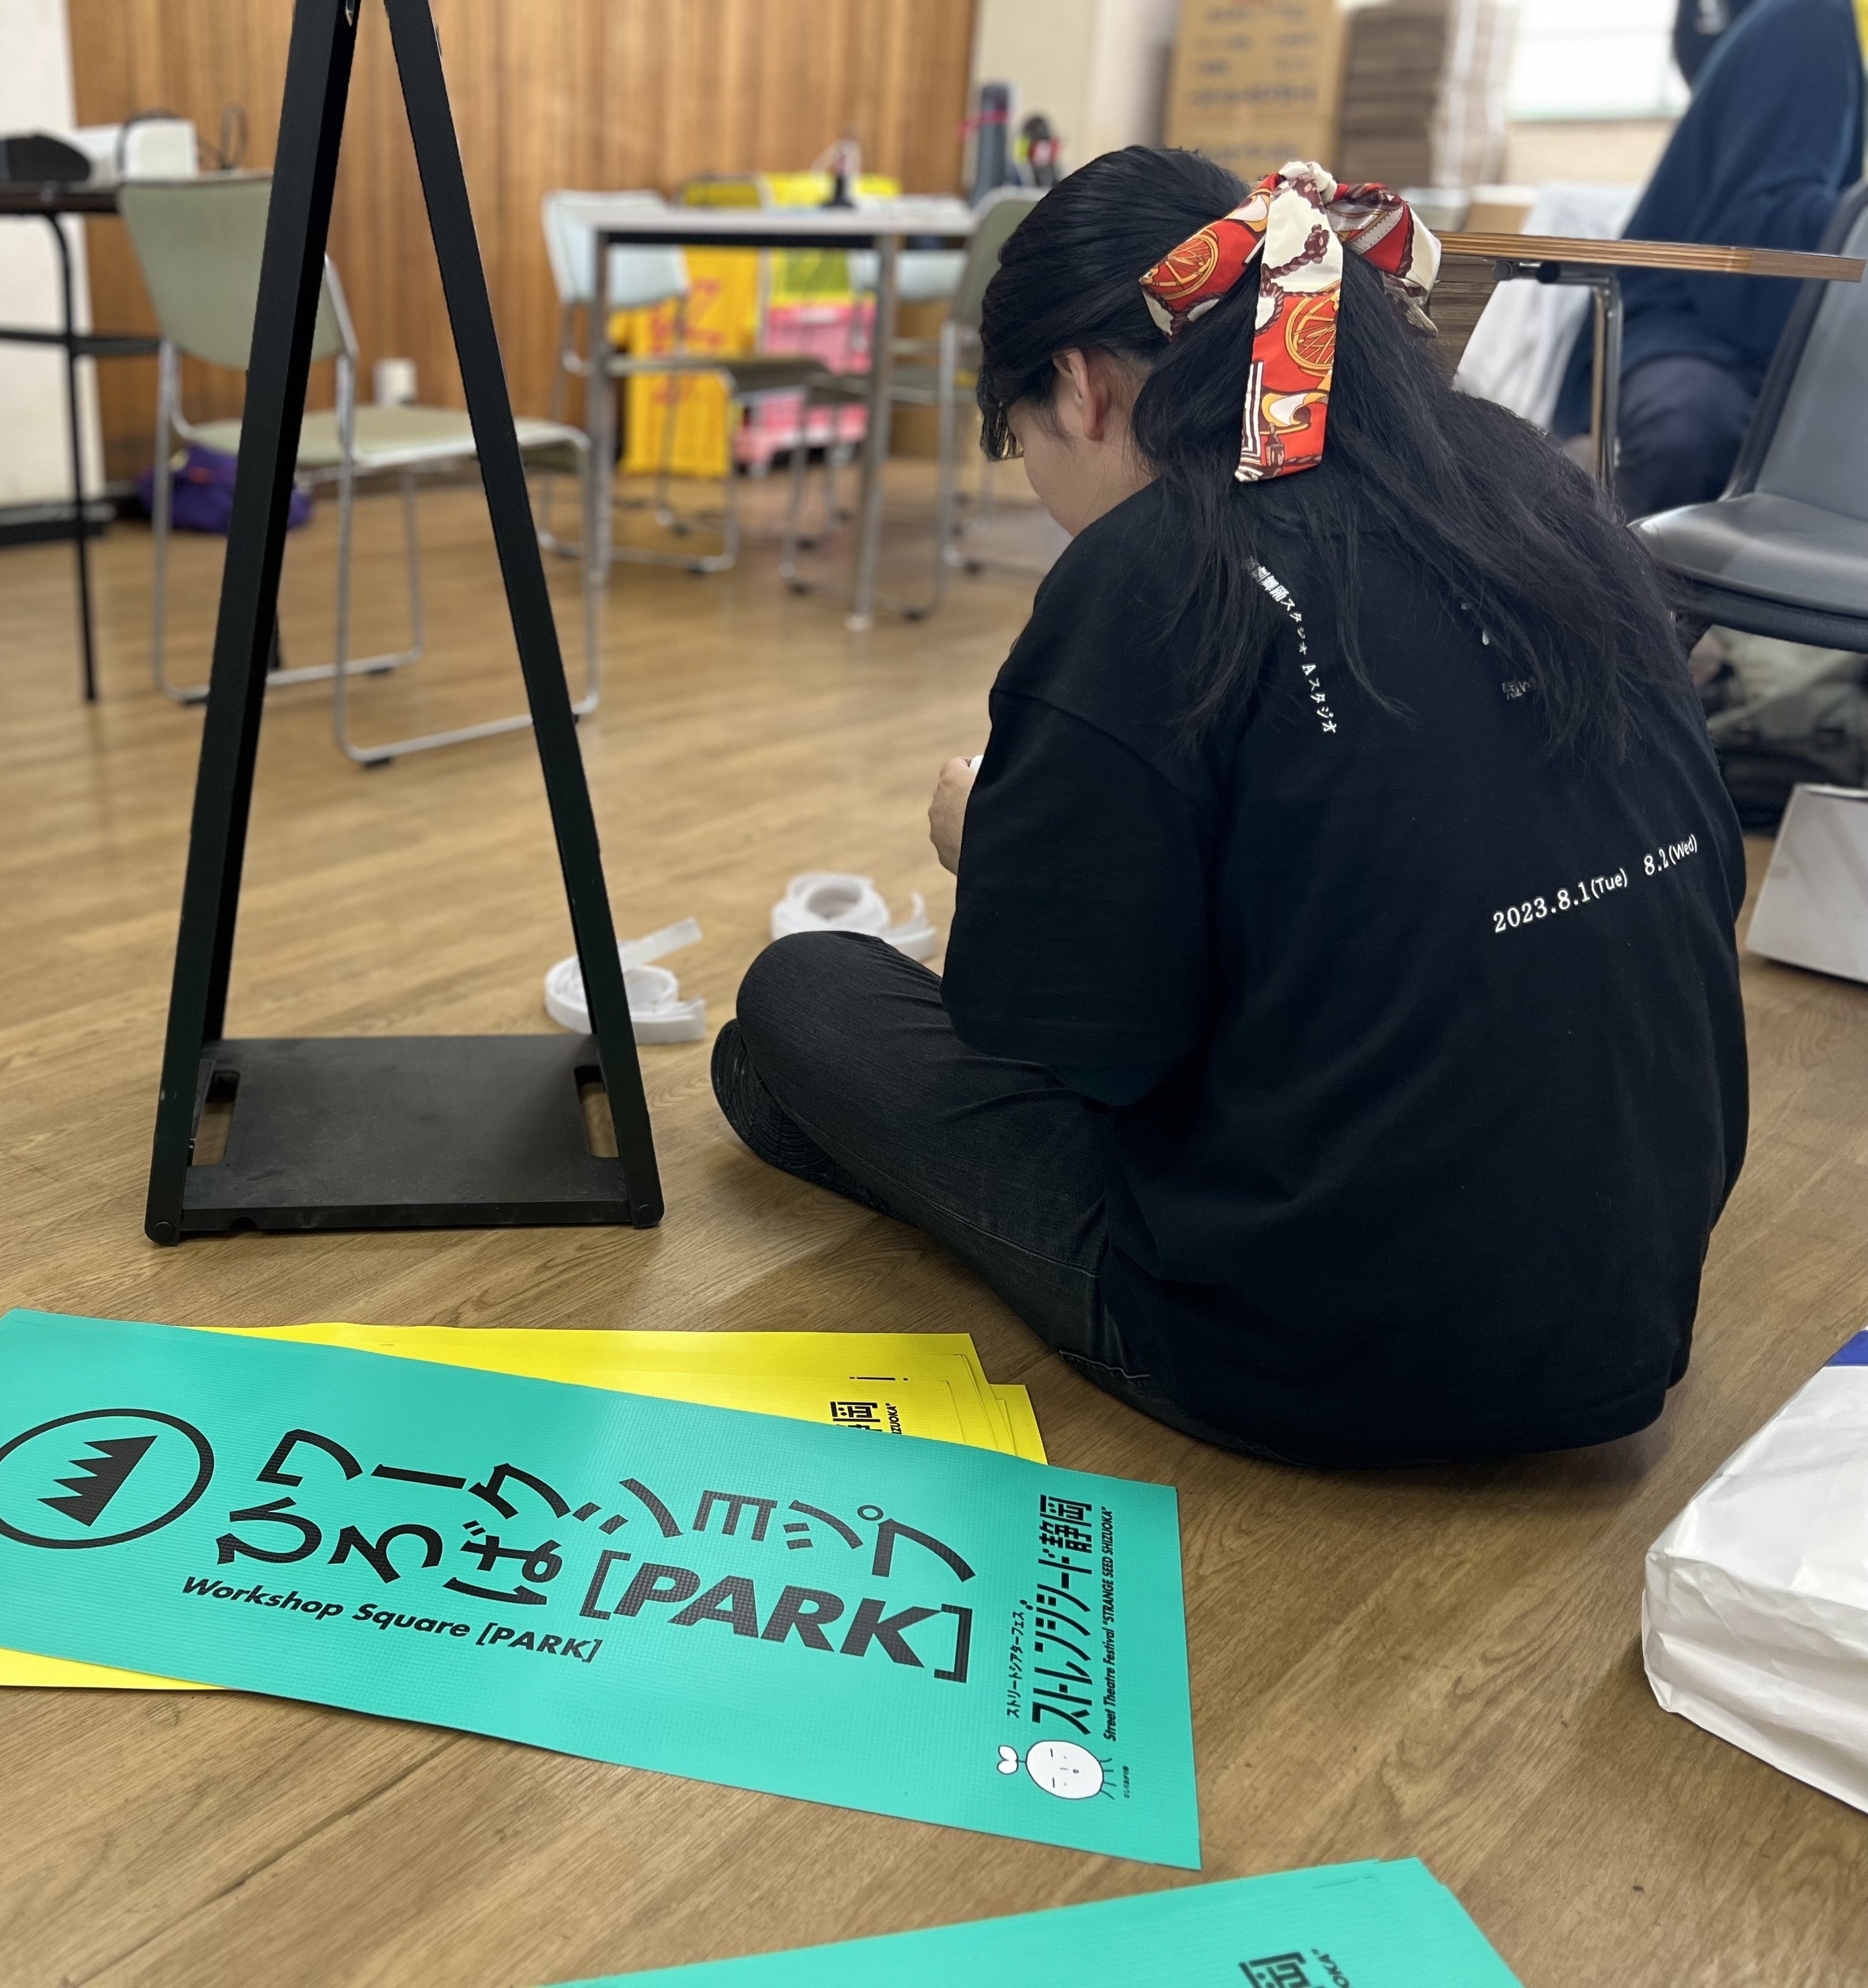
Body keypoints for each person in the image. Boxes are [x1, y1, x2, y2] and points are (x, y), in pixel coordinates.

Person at [713, 149, 1748, 1469]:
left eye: (1023, 439)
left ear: (1081, 385)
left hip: (1305, 1339)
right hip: (1631, 1296)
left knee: (797, 1003)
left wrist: (1001, 859)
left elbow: (1091, 1054)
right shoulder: (1534, 491)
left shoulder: (1162, 566)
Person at [1554, 0, 1865, 517]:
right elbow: (1758, 240)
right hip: (1688, 324)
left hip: (1765, 333)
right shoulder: (1811, 21)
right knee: (1690, 425)